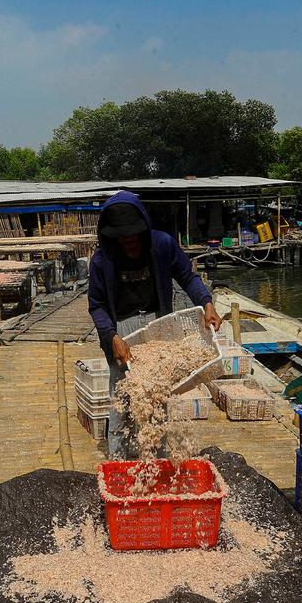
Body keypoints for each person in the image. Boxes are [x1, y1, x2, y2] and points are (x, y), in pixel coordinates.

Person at [88, 190, 222, 458]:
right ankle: (120, 458)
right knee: (122, 395)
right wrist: (111, 336)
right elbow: (97, 305)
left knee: (156, 393)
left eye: (134, 238)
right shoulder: (103, 260)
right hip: (122, 329)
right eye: (123, 240)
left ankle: (156, 455)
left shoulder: (162, 245)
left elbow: (187, 276)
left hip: (157, 325)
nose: (130, 245)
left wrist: (207, 303)